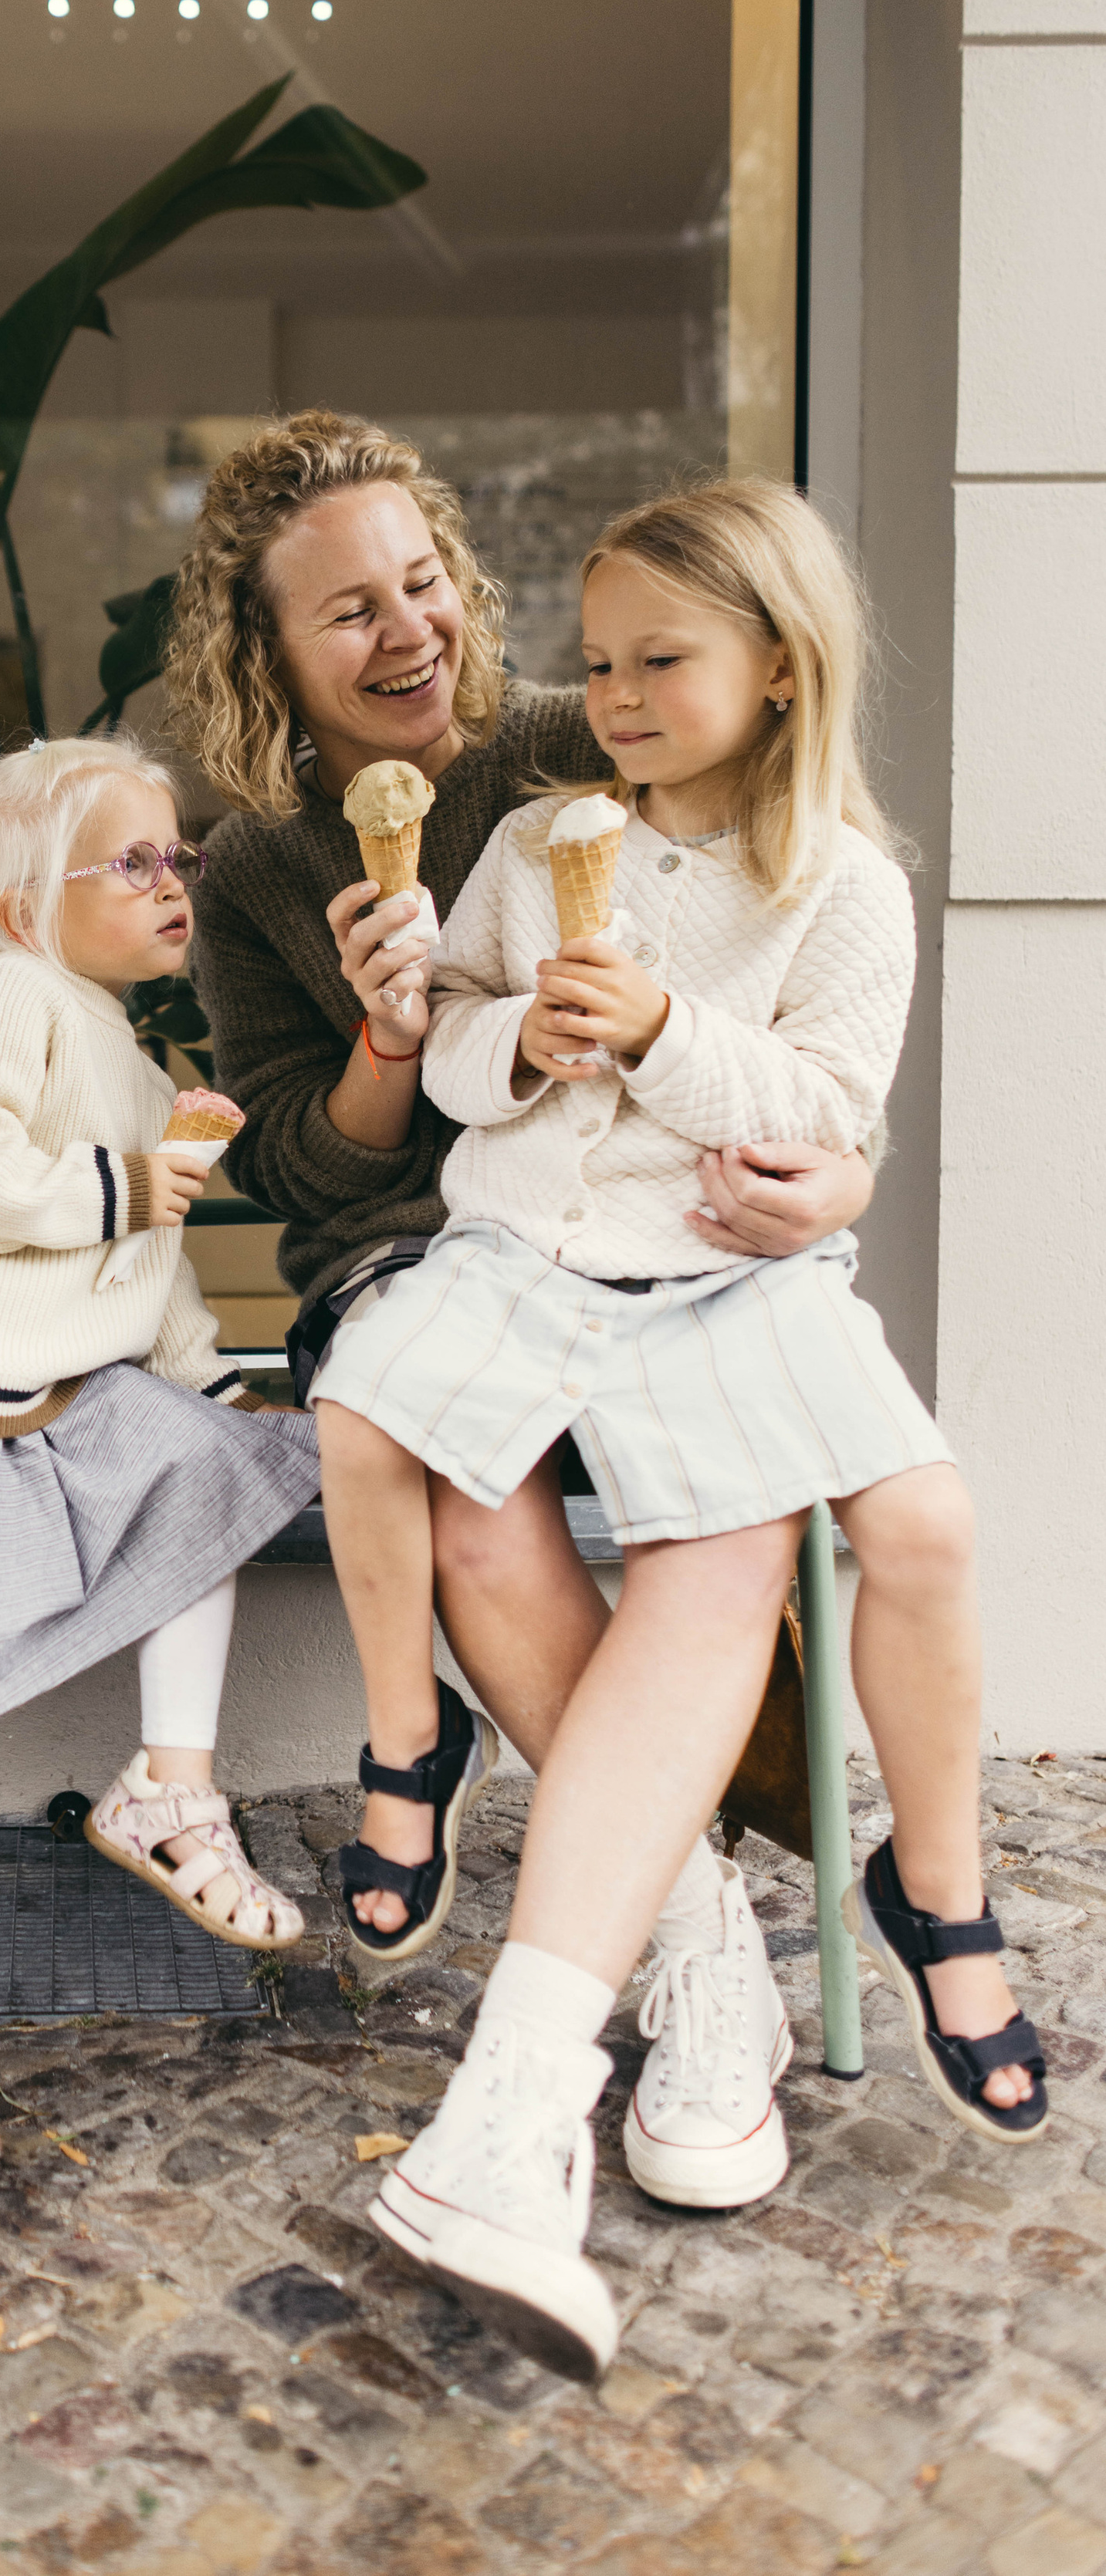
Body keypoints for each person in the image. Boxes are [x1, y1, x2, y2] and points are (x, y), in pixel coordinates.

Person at [310, 478, 1046, 2379]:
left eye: (663, 658)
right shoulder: (546, 835)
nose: (614, 692)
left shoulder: (842, 888)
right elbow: (465, 1045)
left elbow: (820, 1106)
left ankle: (575, 2064)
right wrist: (504, 1045)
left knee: (835, 1536)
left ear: (780, 673)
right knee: (438, 1482)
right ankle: (679, 1930)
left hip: (718, 1273)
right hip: (528, 1260)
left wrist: (648, 1035)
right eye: (600, 655)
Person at [168, 410, 876, 2205]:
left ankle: (640, 1949)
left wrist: (838, 1176)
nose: (405, 632)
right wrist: (386, 1039)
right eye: (345, 612)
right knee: (473, 1502)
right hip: (416, 1250)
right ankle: (696, 1931)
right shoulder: (248, 858)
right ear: (264, 654)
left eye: (421, 583)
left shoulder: (589, 740)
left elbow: (804, 954)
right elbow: (300, 1180)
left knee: (713, 1501)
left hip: (648, 1238)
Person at [0, 733, 321, 2178]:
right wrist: (111, 1184)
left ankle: (169, 1783)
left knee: (206, 1483)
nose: (173, 883)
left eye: (181, 858)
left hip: (67, 1404)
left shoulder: (141, 1069)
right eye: (134, 861)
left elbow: (155, 1273)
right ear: (30, 905)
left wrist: (210, 1382)